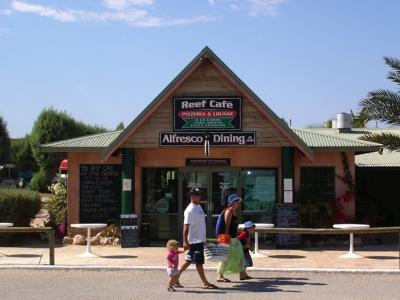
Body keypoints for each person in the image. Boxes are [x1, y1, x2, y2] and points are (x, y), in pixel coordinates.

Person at [177, 187, 218, 289]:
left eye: (200, 194)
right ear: (192, 197)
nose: (200, 196)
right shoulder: (190, 210)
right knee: (199, 262)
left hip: (199, 240)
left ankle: (175, 278)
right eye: (197, 195)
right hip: (194, 241)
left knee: (188, 261)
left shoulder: (198, 206)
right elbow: (185, 226)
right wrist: (185, 241)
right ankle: (205, 283)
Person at [216, 193, 245, 282]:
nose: (238, 202)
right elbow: (227, 226)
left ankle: (242, 273)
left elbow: (233, 226)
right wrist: (226, 238)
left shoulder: (234, 212)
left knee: (239, 255)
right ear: (231, 202)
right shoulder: (229, 211)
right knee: (225, 256)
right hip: (228, 238)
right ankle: (220, 275)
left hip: (233, 238)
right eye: (236, 201)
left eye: (238, 200)